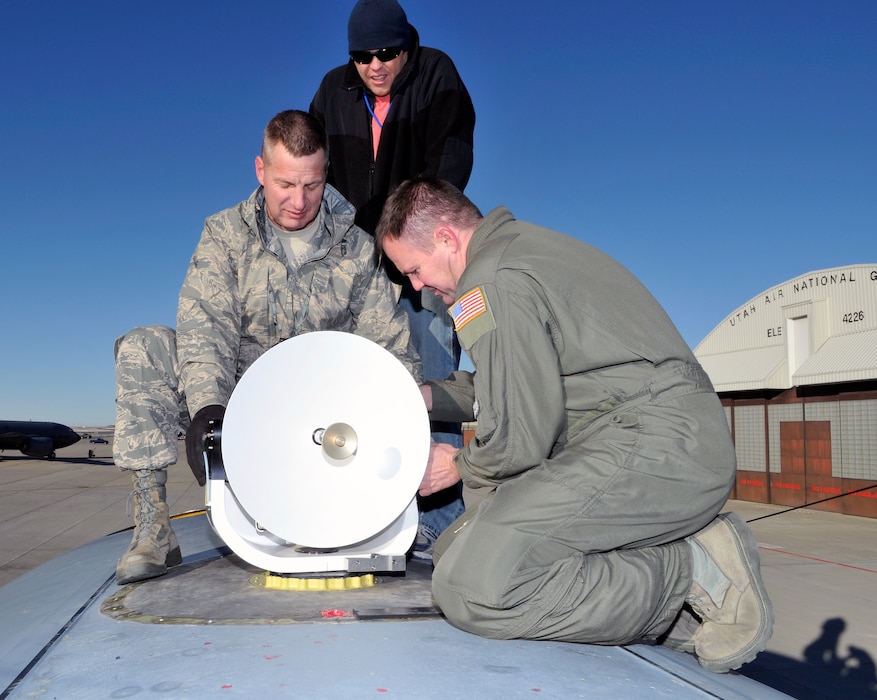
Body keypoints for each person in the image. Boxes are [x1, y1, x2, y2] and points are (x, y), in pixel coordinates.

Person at [374, 178, 774, 674]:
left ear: (446, 239)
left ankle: (692, 571)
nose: (416, 287)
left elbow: (520, 434)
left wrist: (456, 466)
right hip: (650, 438)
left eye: (414, 270)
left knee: (473, 588)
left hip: (657, 444)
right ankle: (674, 606)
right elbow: (520, 383)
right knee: (458, 548)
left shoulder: (489, 281)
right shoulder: (516, 255)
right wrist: (426, 397)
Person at [112, 110, 420, 585]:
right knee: (144, 347)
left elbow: (389, 346)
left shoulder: (359, 249)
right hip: (237, 397)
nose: (299, 201)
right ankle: (154, 528)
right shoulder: (224, 235)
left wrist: (399, 434)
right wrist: (209, 410)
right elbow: (205, 328)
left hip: (320, 410)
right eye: (285, 184)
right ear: (261, 171)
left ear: (325, 174)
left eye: (312, 186)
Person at [310, 0, 476, 557]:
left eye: (386, 53)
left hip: (419, 267)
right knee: (361, 388)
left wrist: (407, 245)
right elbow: (317, 175)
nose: (375, 66)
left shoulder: (437, 75)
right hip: (358, 272)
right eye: (362, 56)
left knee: (433, 383)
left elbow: (445, 172)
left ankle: (442, 521)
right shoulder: (334, 91)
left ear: (406, 46)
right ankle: (369, 510)